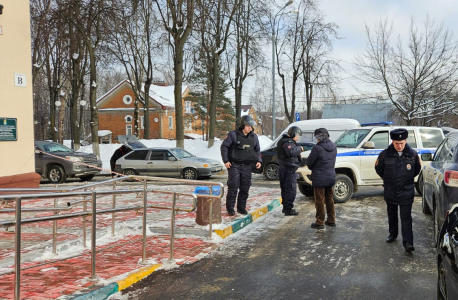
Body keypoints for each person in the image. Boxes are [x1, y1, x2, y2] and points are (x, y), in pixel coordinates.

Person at [375, 128, 421, 252]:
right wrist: (389, 179)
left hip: (406, 190)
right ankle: (393, 234)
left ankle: (408, 243)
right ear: (392, 142)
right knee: (392, 214)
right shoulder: (385, 154)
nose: (399, 146)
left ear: (405, 141)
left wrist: (406, 180)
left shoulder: (413, 154)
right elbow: (379, 169)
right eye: (396, 143)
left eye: (402, 143)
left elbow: (416, 170)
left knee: (406, 217)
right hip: (391, 189)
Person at [221, 115, 262, 216]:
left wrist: (259, 160)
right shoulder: (233, 135)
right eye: (248, 126)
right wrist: (226, 161)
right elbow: (224, 147)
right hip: (234, 165)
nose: (250, 128)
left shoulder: (254, 137)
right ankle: (230, 208)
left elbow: (257, 150)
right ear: (243, 125)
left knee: (245, 187)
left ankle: (241, 207)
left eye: (251, 126)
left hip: (247, 166)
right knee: (233, 187)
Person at [305, 128, 337, 229]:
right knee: (329, 198)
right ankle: (331, 220)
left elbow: (309, 163)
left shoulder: (317, 148)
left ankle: (320, 221)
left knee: (319, 200)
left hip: (319, 178)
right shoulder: (333, 146)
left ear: (318, 137)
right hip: (330, 176)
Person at [277, 126, 305, 216]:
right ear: (293, 134)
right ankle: (288, 208)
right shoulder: (288, 142)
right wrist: (299, 148)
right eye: (297, 135)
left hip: (284, 167)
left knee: (285, 189)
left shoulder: (283, 140)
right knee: (291, 189)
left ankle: (286, 207)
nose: (298, 138)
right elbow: (291, 152)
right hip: (289, 169)